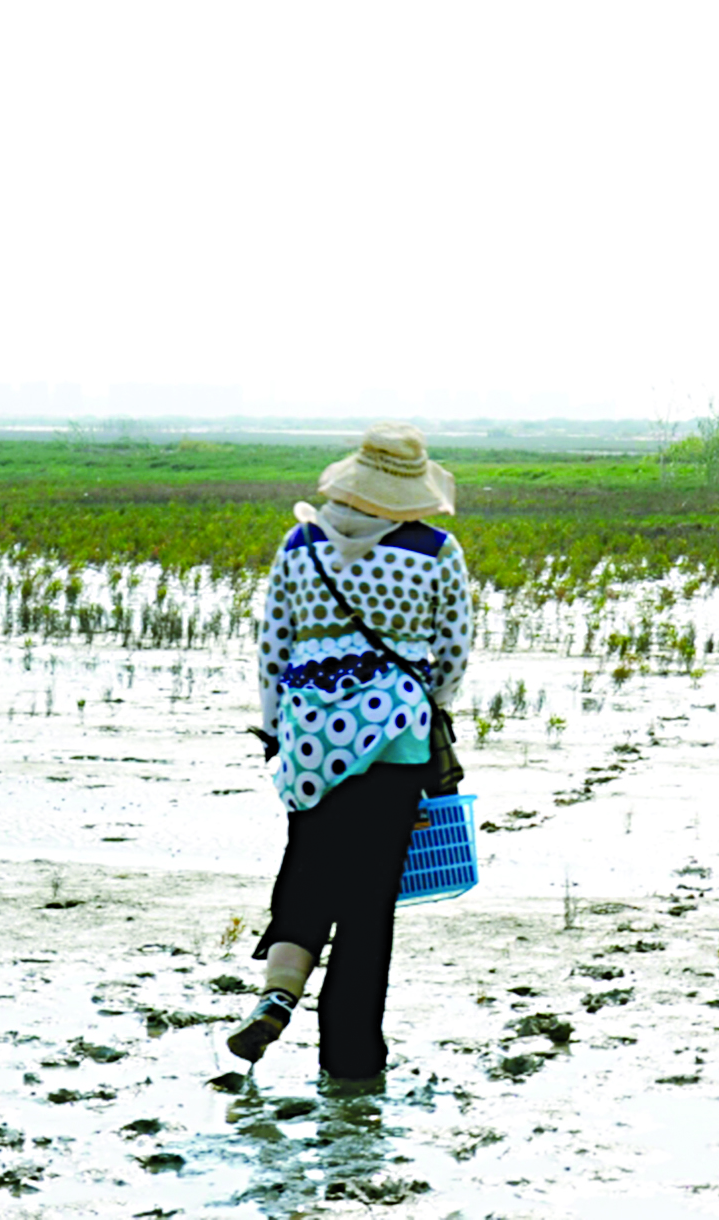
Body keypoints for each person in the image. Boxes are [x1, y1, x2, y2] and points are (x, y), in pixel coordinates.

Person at [227, 422, 473, 1085]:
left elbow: (274, 647)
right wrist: (427, 706)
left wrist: (277, 728)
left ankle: (278, 994)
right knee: (367, 905)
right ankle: (352, 1059)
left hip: (309, 737)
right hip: (394, 737)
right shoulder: (435, 550)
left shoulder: (299, 545)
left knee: (308, 870)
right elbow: (451, 653)